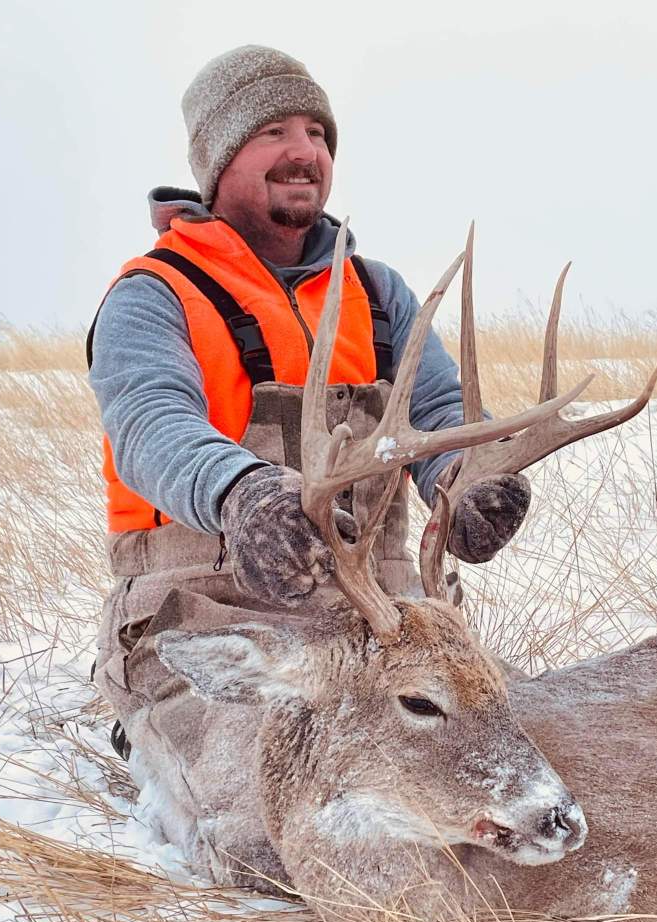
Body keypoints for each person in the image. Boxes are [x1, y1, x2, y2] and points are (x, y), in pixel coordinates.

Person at [88, 45, 530, 761]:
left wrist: (464, 480)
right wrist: (242, 493)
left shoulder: (375, 292)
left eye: (317, 133)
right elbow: (149, 424)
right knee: (276, 797)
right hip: (215, 625)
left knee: (537, 750)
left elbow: (437, 410)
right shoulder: (156, 292)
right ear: (218, 160)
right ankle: (158, 727)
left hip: (386, 628)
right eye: (273, 132)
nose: (304, 152)